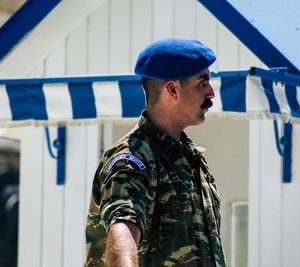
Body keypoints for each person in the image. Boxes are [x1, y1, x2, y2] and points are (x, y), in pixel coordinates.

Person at [85, 38, 226, 267]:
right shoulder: (132, 159)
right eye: (202, 82)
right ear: (172, 89)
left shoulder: (191, 159)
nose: (211, 92)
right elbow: (122, 232)